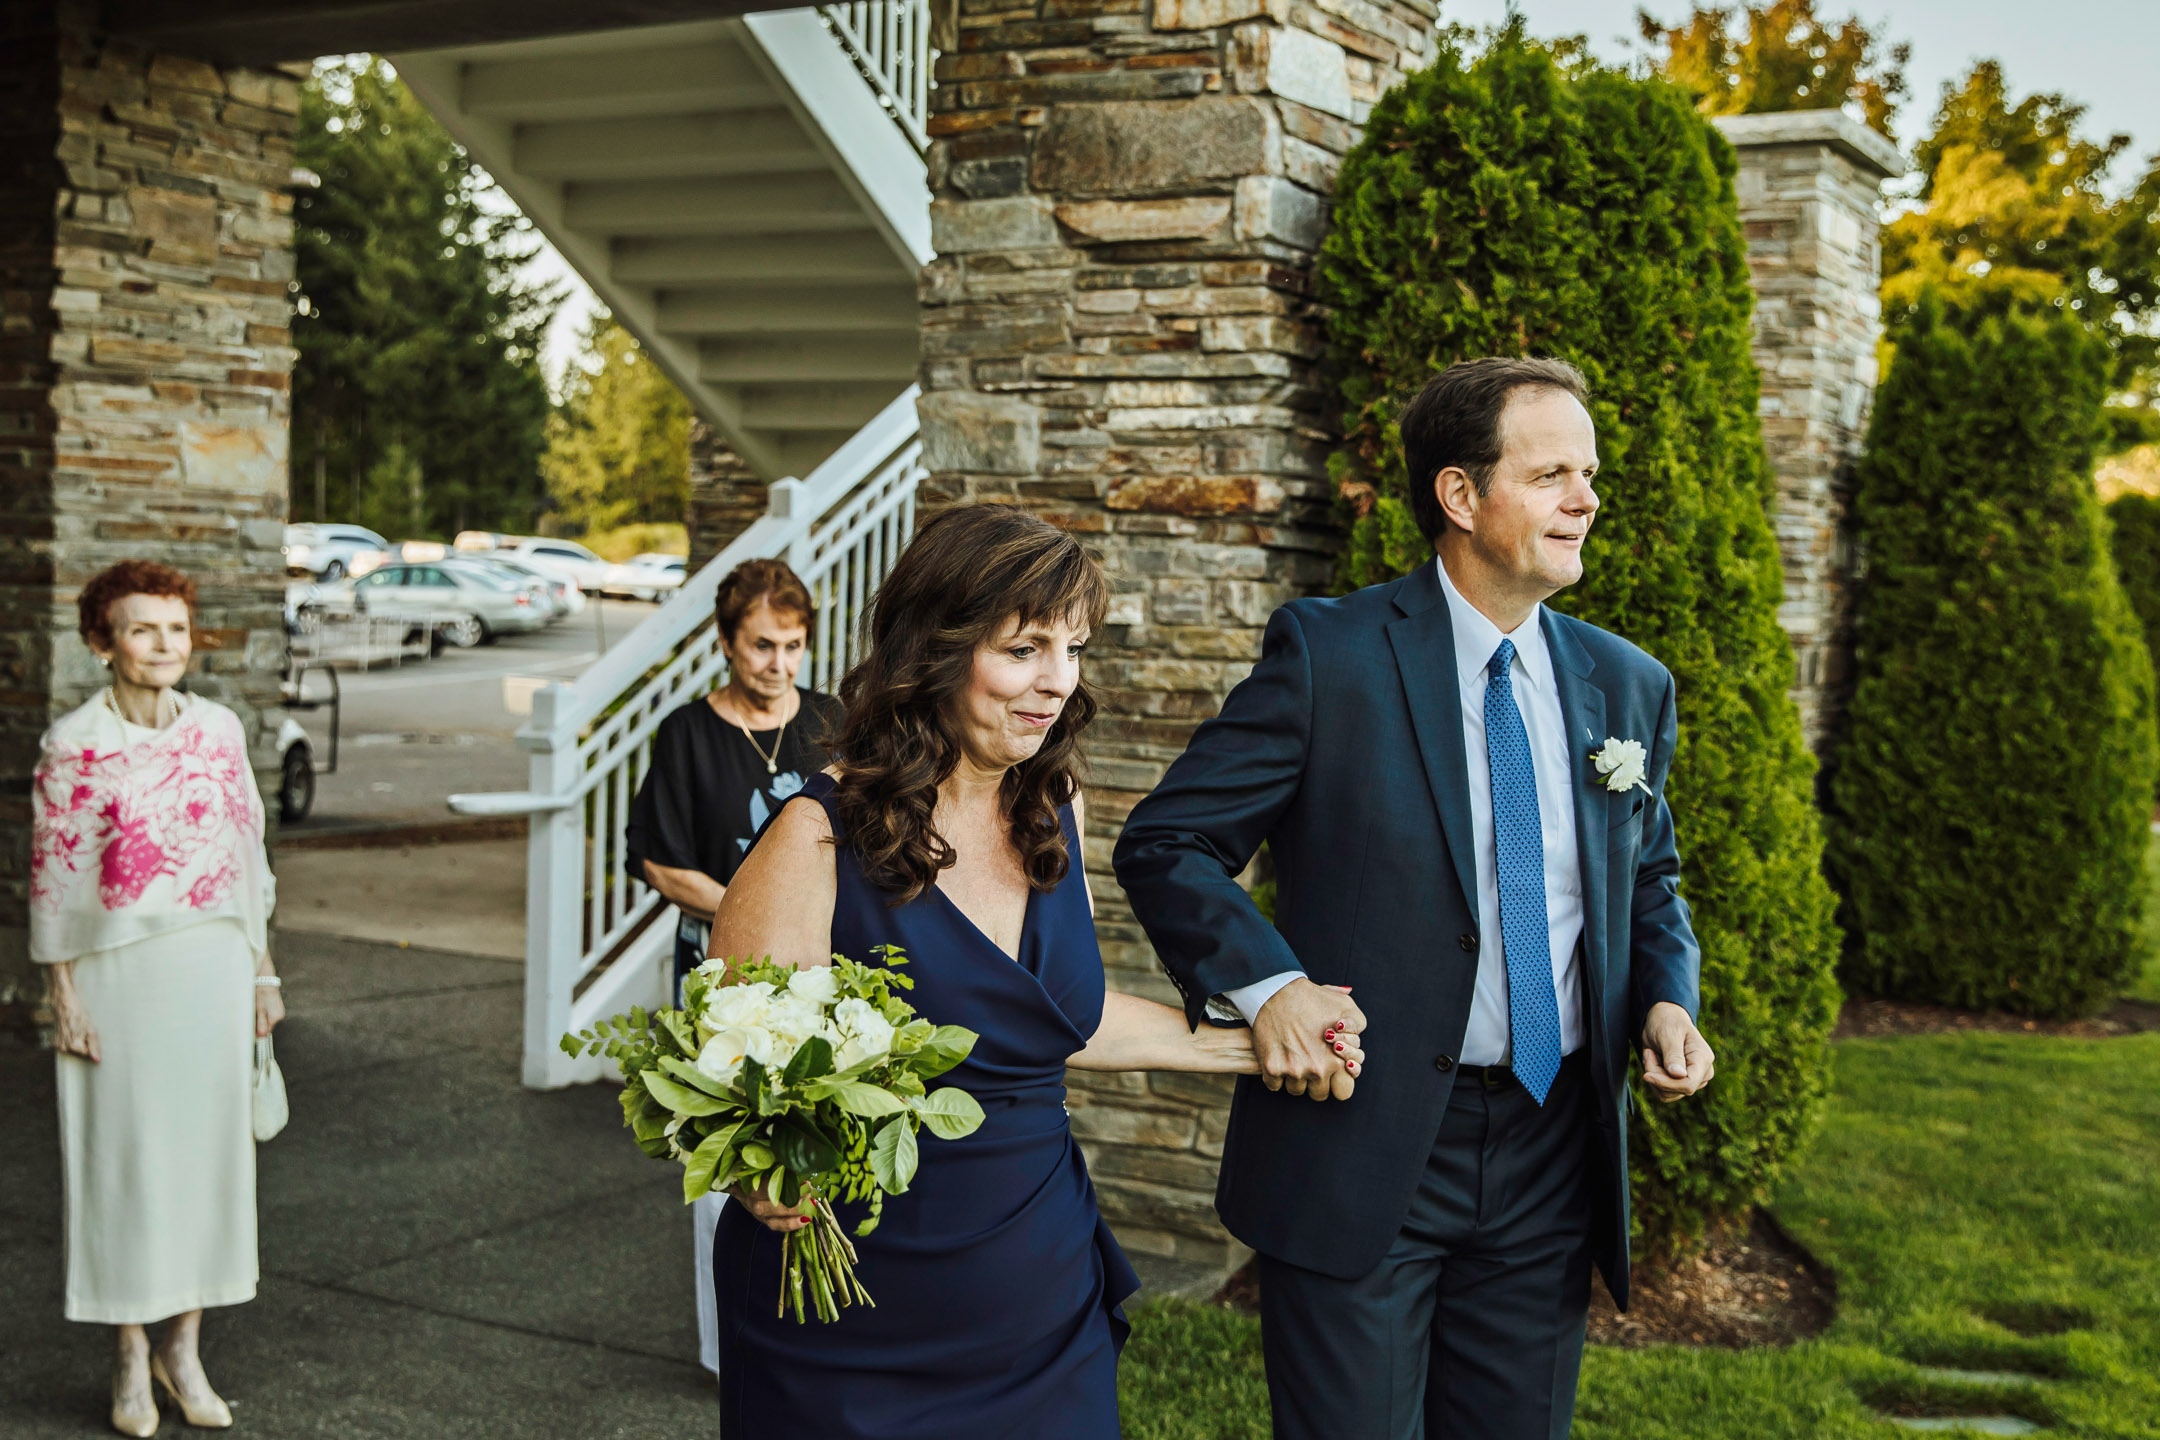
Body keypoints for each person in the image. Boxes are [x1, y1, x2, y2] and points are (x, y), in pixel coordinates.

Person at [1114, 357, 1716, 1440]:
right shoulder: (1329, 655)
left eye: (1589, 474)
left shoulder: (1628, 685)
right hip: (1365, 1142)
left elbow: (1652, 877)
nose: (1588, 500)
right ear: (1458, 495)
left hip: (1552, 1148)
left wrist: (1669, 996)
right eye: (1552, 477)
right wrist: (1272, 988)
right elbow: (1171, 842)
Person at [705, 504, 1357, 1439]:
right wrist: (754, 1176)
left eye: (1075, 649)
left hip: (1037, 1279)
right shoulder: (814, 837)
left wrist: (1264, 1037)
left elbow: (1058, 1020)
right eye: (1024, 651)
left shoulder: (1051, 806)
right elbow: (728, 1087)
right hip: (850, 1306)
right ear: (933, 649)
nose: (1058, 683)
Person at [32, 560, 283, 1437]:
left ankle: (186, 1349)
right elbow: (55, 877)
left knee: (207, 1166)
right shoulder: (73, 743)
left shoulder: (218, 730)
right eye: (143, 629)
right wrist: (62, 991)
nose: (165, 645)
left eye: (177, 629)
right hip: (115, 972)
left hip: (211, 965)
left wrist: (262, 973)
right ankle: (131, 1354)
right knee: (126, 1165)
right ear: (103, 641)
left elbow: (250, 860)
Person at [622, 557, 844, 1375]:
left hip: (823, 972)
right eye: (760, 647)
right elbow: (658, 861)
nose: (778, 665)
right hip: (720, 976)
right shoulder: (687, 735)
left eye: (791, 646)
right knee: (729, 1154)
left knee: (825, 1131)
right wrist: (757, 922)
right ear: (724, 643)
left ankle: (820, 1328)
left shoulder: (832, 721)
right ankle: (732, 1352)